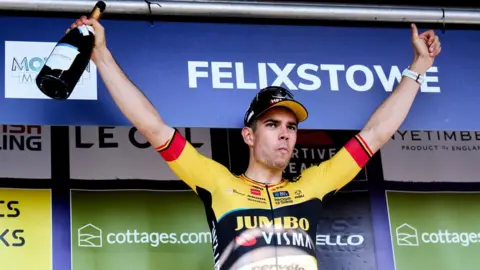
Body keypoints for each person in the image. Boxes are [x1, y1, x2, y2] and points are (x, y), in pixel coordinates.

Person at [70, 16, 441, 270]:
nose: (285, 133)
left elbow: (375, 135)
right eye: (273, 124)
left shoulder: (312, 185)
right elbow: (152, 127)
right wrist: (100, 54)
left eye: (292, 127)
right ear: (248, 135)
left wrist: (418, 68)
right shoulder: (217, 182)